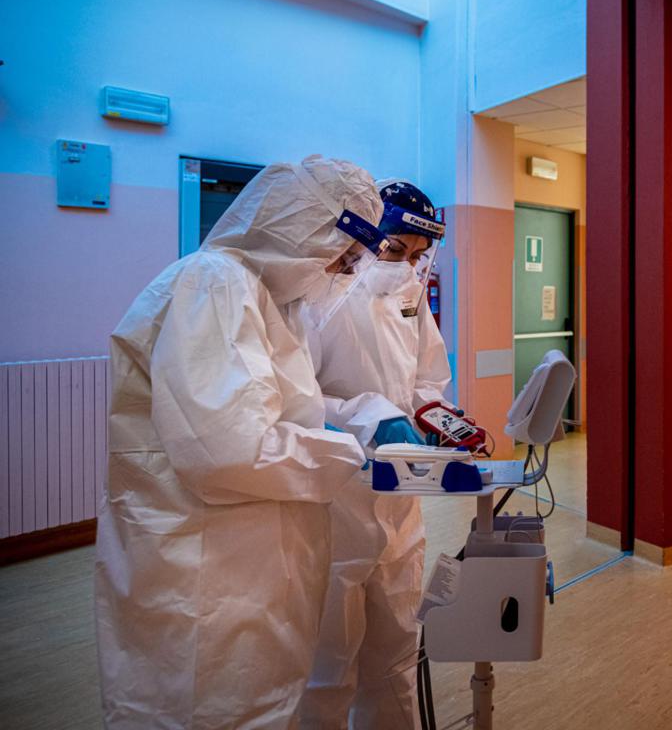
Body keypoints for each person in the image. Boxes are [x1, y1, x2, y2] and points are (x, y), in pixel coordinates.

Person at [94, 155, 388, 729]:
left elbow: (273, 408)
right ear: (303, 227)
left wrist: (347, 424)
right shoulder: (216, 283)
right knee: (208, 706)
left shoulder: (266, 298)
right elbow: (227, 452)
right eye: (343, 254)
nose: (344, 272)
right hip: (207, 564)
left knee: (258, 700)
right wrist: (347, 453)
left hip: (248, 558)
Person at [297, 179, 452, 729]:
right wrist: (368, 416)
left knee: (397, 653)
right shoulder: (317, 295)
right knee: (329, 663)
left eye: (417, 255)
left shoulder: (410, 294)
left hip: (401, 499)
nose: (406, 265)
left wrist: (435, 415)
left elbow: (428, 376)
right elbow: (296, 397)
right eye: (396, 249)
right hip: (337, 499)